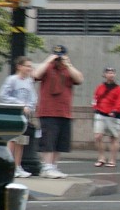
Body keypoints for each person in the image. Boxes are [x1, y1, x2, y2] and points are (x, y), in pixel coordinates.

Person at [32, 44, 83, 179]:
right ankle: (46, 166)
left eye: (60, 57)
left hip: (64, 112)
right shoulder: (47, 68)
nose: (58, 60)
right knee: (49, 140)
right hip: (48, 111)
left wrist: (68, 64)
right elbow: (35, 74)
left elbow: (79, 79)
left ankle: (53, 166)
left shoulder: (68, 70)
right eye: (57, 57)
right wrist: (48, 60)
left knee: (60, 142)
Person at [0, 56, 37, 178]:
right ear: (19, 66)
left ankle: (17, 166)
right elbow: (3, 95)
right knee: (13, 140)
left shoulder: (29, 82)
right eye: (27, 66)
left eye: (30, 66)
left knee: (21, 141)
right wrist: (19, 105)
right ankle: (9, 166)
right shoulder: (12, 80)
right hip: (13, 114)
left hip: (25, 115)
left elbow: (33, 98)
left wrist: (30, 108)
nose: (29, 69)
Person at [91, 66, 120, 168]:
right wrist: (95, 107)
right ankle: (101, 158)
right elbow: (95, 98)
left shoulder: (119, 89)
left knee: (113, 138)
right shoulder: (100, 87)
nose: (111, 74)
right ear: (104, 75)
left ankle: (112, 160)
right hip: (100, 114)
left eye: (112, 72)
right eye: (108, 72)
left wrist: (115, 110)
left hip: (113, 116)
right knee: (98, 136)